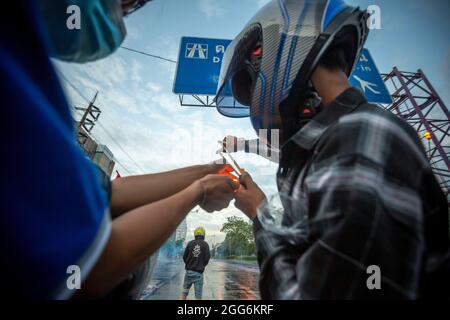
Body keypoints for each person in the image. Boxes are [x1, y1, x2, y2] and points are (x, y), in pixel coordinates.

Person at [1, 0, 238, 299]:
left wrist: (206, 172)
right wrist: (198, 191)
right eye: (132, 3)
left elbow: (109, 195)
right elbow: (92, 268)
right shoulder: (14, 60)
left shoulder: (22, 56)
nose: (126, 12)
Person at [216, 0, 450, 299]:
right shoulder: (338, 141)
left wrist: (261, 217)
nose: (253, 105)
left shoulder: (361, 140)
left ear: (267, 55)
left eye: (248, 87)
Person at [180, 227, 210, 300]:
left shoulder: (190, 243)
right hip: (198, 274)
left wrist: (189, 264)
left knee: (184, 292)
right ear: (203, 234)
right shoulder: (205, 244)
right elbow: (207, 258)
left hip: (189, 272)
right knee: (198, 296)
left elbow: (184, 257)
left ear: (195, 234)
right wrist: (202, 265)